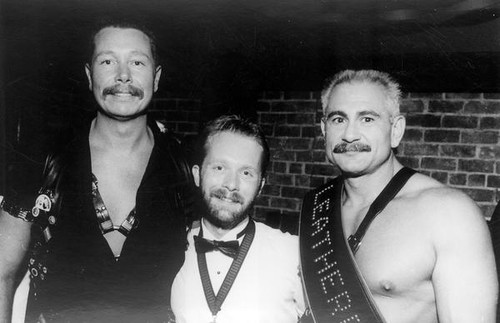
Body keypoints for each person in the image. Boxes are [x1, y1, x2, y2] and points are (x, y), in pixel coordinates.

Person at [0, 20, 194, 322]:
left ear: (156, 78)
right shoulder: (41, 159)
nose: (123, 75)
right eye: (107, 61)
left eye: (137, 61)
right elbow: (2, 271)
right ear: (89, 76)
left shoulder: (184, 169)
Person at [299, 69, 498, 323]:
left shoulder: (448, 213)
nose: (349, 134)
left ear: (396, 130)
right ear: (324, 130)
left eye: (367, 119)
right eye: (338, 119)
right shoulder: (317, 206)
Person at [171, 115, 305, 323]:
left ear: (260, 186)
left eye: (246, 172)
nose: (231, 184)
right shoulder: (169, 249)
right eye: (219, 168)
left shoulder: (294, 254)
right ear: (197, 175)